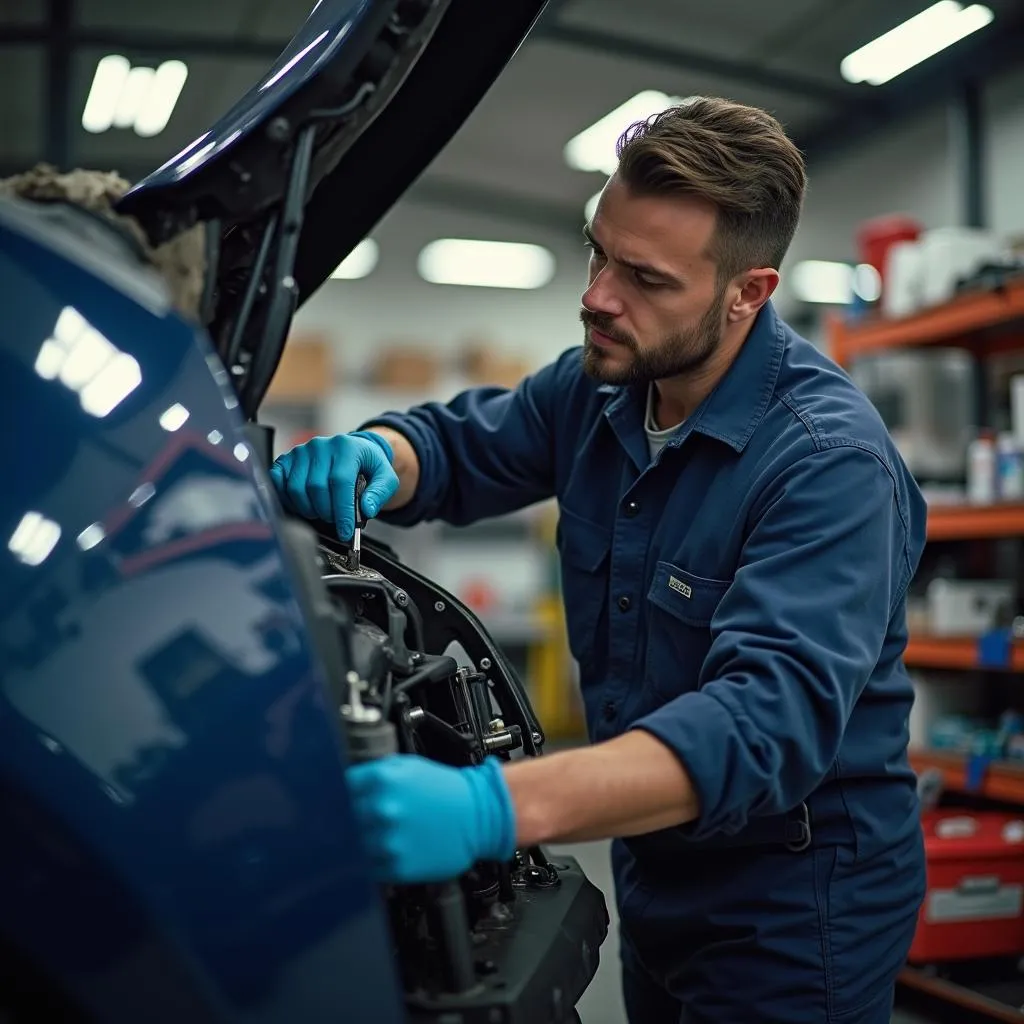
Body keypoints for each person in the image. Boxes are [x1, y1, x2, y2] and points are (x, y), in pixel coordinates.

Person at [270, 96, 927, 1024]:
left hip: (797, 904)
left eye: (645, 278)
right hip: (653, 864)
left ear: (749, 294)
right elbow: (462, 445)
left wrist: (489, 810)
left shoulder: (829, 465)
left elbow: (759, 728)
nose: (597, 296)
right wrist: (381, 452)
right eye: (598, 252)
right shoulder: (605, 386)